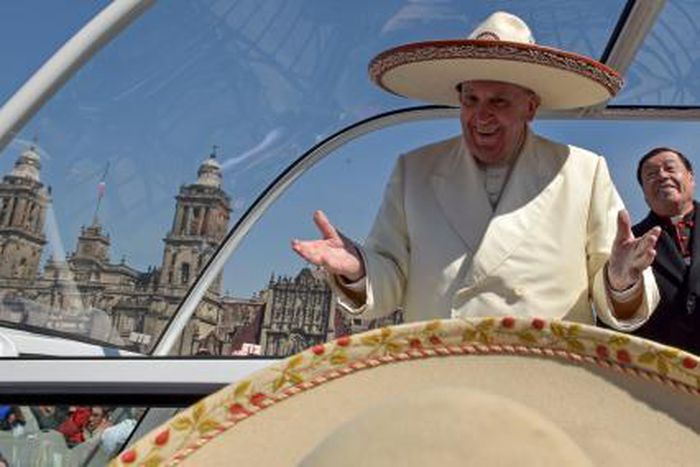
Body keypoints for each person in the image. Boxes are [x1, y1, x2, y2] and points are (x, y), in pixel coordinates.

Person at [292, 11, 660, 330]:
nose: (481, 115)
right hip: (444, 376)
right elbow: (389, 281)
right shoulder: (414, 170)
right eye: (471, 99)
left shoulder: (584, 171)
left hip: (546, 379)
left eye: (498, 100)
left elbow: (614, 291)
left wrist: (621, 278)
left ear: (530, 107)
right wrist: (356, 269)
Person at [625, 147, 700, 354]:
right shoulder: (631, 242)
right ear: (644, 194)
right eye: (651, 174)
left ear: (690, 177)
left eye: (670, 168)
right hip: (662, 366)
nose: (662, 176)